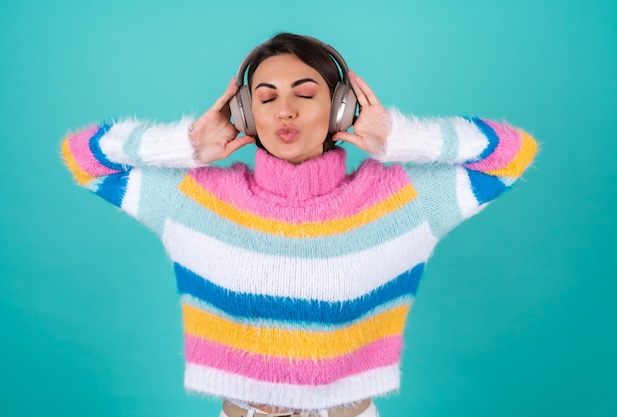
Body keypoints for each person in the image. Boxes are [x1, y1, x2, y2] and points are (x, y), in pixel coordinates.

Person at [61, 33, 537, 417]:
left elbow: (511, 155)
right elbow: (84, 159)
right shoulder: (196, 200)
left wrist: (402, 136)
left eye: (305, 94)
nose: (284, 111)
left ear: (341, 108)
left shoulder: (399, 200)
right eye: (266, 99)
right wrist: (186, 145)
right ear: (247, 113)